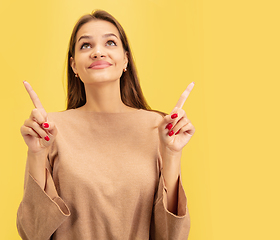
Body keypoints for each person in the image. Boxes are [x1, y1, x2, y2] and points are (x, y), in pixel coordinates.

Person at [17, 9, 195, 240]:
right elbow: (32, 233)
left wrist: (171, 154)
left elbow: (173, 236)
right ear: (73, 66)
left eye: (110, 43)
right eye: (85, 46)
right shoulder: (49, 130)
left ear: (125, 60)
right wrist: (36, 154)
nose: (98, 52)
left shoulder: (158, 128)